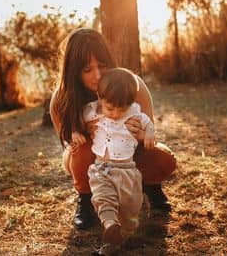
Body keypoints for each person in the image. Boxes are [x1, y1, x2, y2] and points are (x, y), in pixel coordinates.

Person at [49, 28, 176, 230]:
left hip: (129, 152)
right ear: (74, 70)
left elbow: (149, 129)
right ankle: (85, 199)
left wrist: (143, 135)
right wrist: (82, 133)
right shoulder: (61, 99)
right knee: (80, 149)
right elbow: (67, 146)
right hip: (89, 159)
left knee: (163, 158)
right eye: (87, 69)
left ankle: (150, 186)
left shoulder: (132, 85)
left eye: (102, 65)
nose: (98, 75)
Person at [73, 68, 155, 253]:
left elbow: (148, 123)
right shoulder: (91, 110)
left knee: (129, 207)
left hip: (127, 169)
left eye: (122, 109)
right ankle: (109, 224)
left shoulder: (134, 113)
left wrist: (148, 133)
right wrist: (75, 131)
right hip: (101, 168)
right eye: (110, 108)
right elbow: (76, 120)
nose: (116, 113)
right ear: (100, 98)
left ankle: (121, 233)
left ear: (130, 103)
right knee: (103, 197)